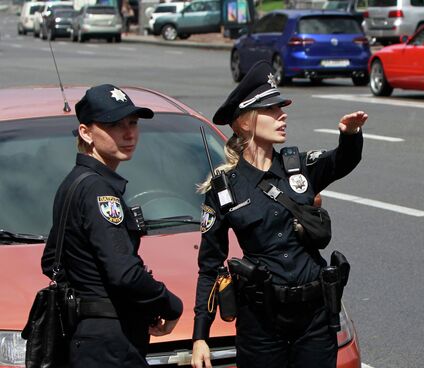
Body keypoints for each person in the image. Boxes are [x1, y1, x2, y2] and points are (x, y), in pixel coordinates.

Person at [191, 60, 367, 368]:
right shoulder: (224, 189)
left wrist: (350, 134)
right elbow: (209, 267)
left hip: (314, 319)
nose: (282, 115)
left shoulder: (299, 167)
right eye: (271, 110)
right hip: (261, 325)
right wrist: (200, 336)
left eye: (281, 108)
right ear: (244, 122)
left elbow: (342, 161)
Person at [41, 84, 183, 367]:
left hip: (90, 336)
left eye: (133, 123)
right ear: (86, 132)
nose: (129, 133)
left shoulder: (75, 182)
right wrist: (170, 304)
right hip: (110, 342)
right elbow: (124, 274)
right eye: (114, 125)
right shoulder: (98, 191)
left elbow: (50, 260)